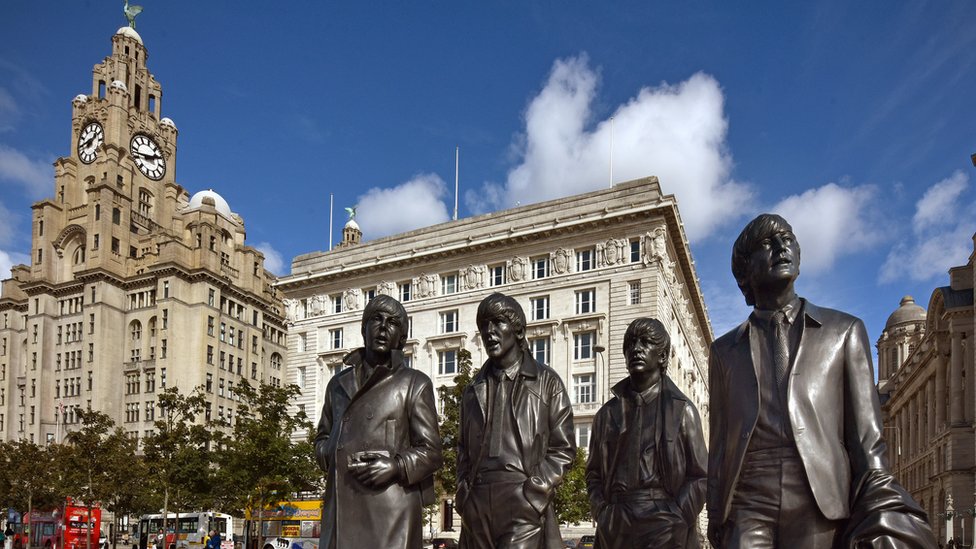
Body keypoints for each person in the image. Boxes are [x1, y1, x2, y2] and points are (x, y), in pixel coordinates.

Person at [707, 214, 937, 549]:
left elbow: (866, 440)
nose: (781, 247)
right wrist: (715, 513)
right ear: (745, 271)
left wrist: (879, 501)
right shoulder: (724, 350)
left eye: (787, 239)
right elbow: (719, 445)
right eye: (766, 243)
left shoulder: (844, 331)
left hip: (820, 497)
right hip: (747, 498)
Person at [315, 294, 443, 549]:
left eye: (392, 323)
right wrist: (334, 451)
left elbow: (432, 451)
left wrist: (396, 467)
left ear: (402, 338)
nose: (383, 327)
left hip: (392, 514)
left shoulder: (414, 384)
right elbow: (321, 438)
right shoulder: (337, 385)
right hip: (342, 509)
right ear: (364, 329)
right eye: (376, 319)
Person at [457, 293, 576, 549]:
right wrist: (463, 493)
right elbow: (462, 450)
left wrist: (535, 492)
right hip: (477, 500)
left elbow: (563, 448)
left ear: (518, 330)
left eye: (498, 323)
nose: (489, 332)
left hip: (522, 497)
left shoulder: (547, 382)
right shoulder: (472, 390)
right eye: (484, 326)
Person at [586, 318, 707, 549]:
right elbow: (593, 473)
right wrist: (602, 511)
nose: (636, 348)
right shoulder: (606, 414)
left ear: (662, 356)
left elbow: (700, 475)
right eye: (631, 343)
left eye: (646, 342)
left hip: (664, 519)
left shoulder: (682, 410)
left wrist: (677, 515)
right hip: (616, 522)